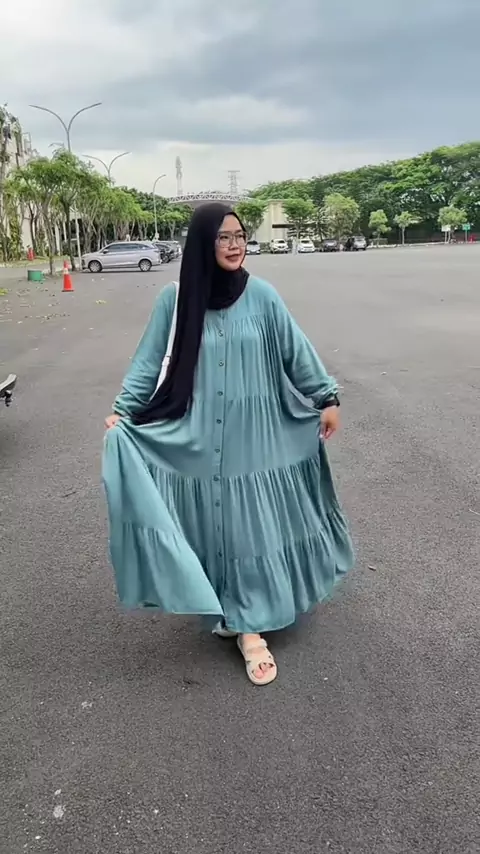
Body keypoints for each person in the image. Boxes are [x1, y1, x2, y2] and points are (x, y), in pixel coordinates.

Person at [103, 203, 354, 686]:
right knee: (213, 527)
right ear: (203, 242)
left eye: (239, 235)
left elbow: (294, 350)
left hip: (255, 435)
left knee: (245, 529)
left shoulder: (262, 295)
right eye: (223, 237)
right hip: (198, 433)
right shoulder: (175, 301)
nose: (235, 244)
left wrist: (326, 396)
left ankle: (249, 626)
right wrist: (124, 412)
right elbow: (147, 363)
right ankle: (226, 603)